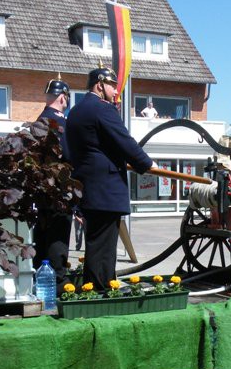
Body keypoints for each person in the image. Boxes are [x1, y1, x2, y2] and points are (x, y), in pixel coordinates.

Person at [66, 67, 153, 291]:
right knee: (104, 243)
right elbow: (124, 141)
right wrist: (147, 164)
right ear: (99, 84)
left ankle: (94, 285)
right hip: (105, 187)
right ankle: (102, 287)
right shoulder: (102, 109)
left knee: (96, 242)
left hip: (87, 185)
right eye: (113, 86)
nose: (116, 92)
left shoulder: (76, 111)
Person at [32, 78, 73, 292]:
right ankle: (57, 280)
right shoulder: (59, 123)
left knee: (42, 235)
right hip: (60, 189)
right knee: (58, 237)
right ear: (63, 97)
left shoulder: (38, 122)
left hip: (42, 190)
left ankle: (41, 276)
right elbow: (68, 155)